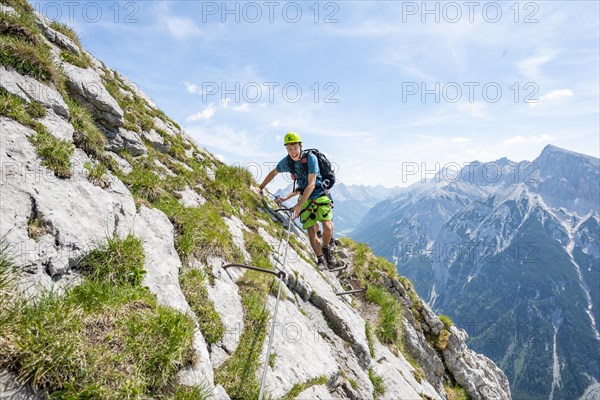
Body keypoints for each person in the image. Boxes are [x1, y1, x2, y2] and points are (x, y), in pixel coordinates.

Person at [258, 132, 335, 269]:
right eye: (289, 149)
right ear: (286, 149)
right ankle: (320, 259)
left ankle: (326, 247)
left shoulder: (311, 158)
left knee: (328, 227)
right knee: (311, 229)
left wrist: (299, 205)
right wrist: (260, 188)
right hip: (304, 196)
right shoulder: (287, 162)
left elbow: (311, 184)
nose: (292, 152)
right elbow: (273, 174)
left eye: (294, 148)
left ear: (300, 146)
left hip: (319, 193)